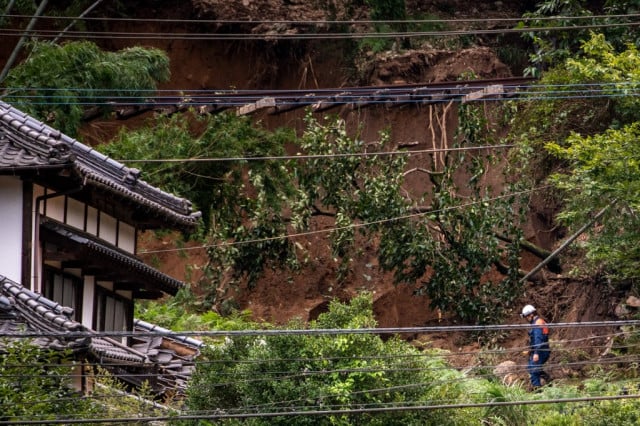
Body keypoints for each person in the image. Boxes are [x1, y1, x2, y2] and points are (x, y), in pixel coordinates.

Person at [521, 304, 551, 389]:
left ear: (531, 314)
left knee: (534, 371)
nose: (527, 319)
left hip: (541, 352)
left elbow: (539, 340)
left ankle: (537, 391)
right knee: (531, 368)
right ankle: (548, 381)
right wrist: (531, 350)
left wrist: (536, 353)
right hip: (541, 350)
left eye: (527, 317)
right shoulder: (538, 322)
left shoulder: (537, 324)